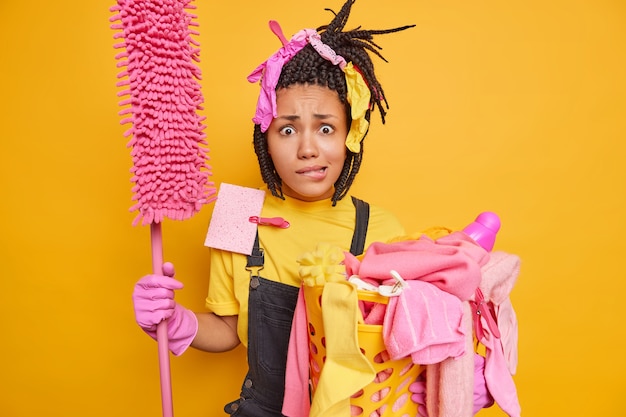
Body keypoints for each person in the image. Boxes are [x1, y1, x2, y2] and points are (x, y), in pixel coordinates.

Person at [132, 0, 415, 416]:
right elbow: (227, 331)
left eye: (325, 128)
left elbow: (398, 346)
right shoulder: (235, 212)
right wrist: (176, 322)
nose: (307, 148)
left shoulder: (382, 229)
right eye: (287, 129)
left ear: (351, 134)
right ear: (264, 137)